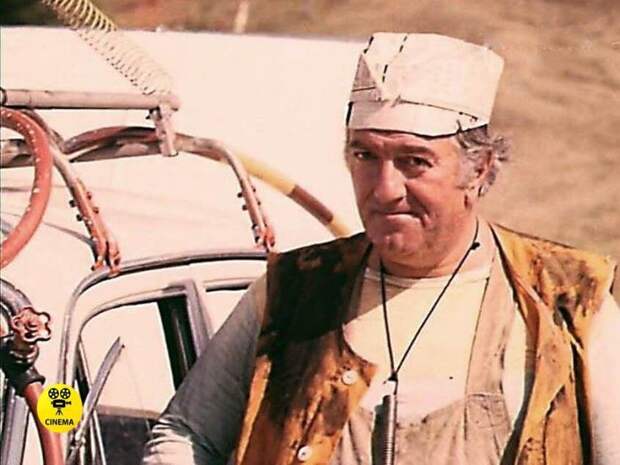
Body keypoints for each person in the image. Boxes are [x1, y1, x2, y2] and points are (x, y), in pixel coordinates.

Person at [142, 33, 620, 465]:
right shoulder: (294, 291)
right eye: (365, 155)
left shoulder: (566, 301)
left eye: (414, 161)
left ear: (478, 169)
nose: (385, 189)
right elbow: (187, 433)